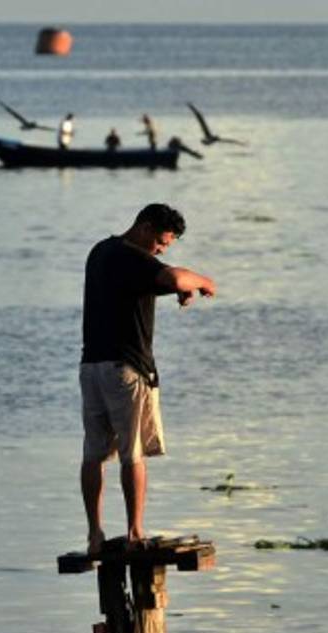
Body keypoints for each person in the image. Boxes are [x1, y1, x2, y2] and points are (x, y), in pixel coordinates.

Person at [79, 203, 216, 553]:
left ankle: (94, 535)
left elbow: (152, 283)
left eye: (165, 247)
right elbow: (172, 277)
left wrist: (180, 288)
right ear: (143, 227)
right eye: (159, 242)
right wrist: (201, 282)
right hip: (126, 369)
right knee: (132, 454)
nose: (159, 250)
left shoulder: (101, 252)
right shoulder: (134, 258)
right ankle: (135, 532)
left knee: (93, 453)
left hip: (92, 365)